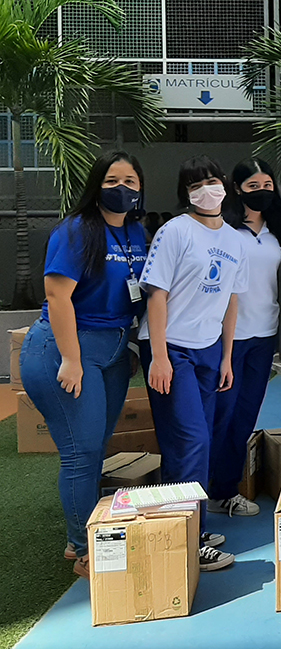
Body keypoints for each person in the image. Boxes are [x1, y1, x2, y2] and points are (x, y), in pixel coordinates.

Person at [19, 152, 147, 579]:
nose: (123, 187)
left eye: (131, 180)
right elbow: (57, 297)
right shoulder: (76, 231)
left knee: (96, 447)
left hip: (112, 352)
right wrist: (71, 359)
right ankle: (83, 546)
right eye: (113, 179)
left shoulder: (136, 233)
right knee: (82, 452)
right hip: (64, 351)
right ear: (96, 185)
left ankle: (83, 534)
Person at [138, 155, 247, 572]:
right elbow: (157, 295)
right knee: (192, 441)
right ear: (186, 193)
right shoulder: (175, 231)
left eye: (213, 180)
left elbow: (231, 299)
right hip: (172, 350)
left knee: (190, 445)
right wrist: (161, 356)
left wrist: (226, 356)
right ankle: (191, 540)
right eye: (196, 184)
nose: (207, 189)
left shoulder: (236, 240)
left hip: (208, 349)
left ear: (224, 185)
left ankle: (176, 526)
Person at [207, 158, 281, 517]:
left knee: (244, 418)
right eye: (253, 186)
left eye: (268, 185)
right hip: (227, 339)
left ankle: (225, 490)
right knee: (220, 416)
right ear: (237, 190)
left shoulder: (279, 234)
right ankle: (208, 491)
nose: (262, 192)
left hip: (264, 337)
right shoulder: (223, 231)